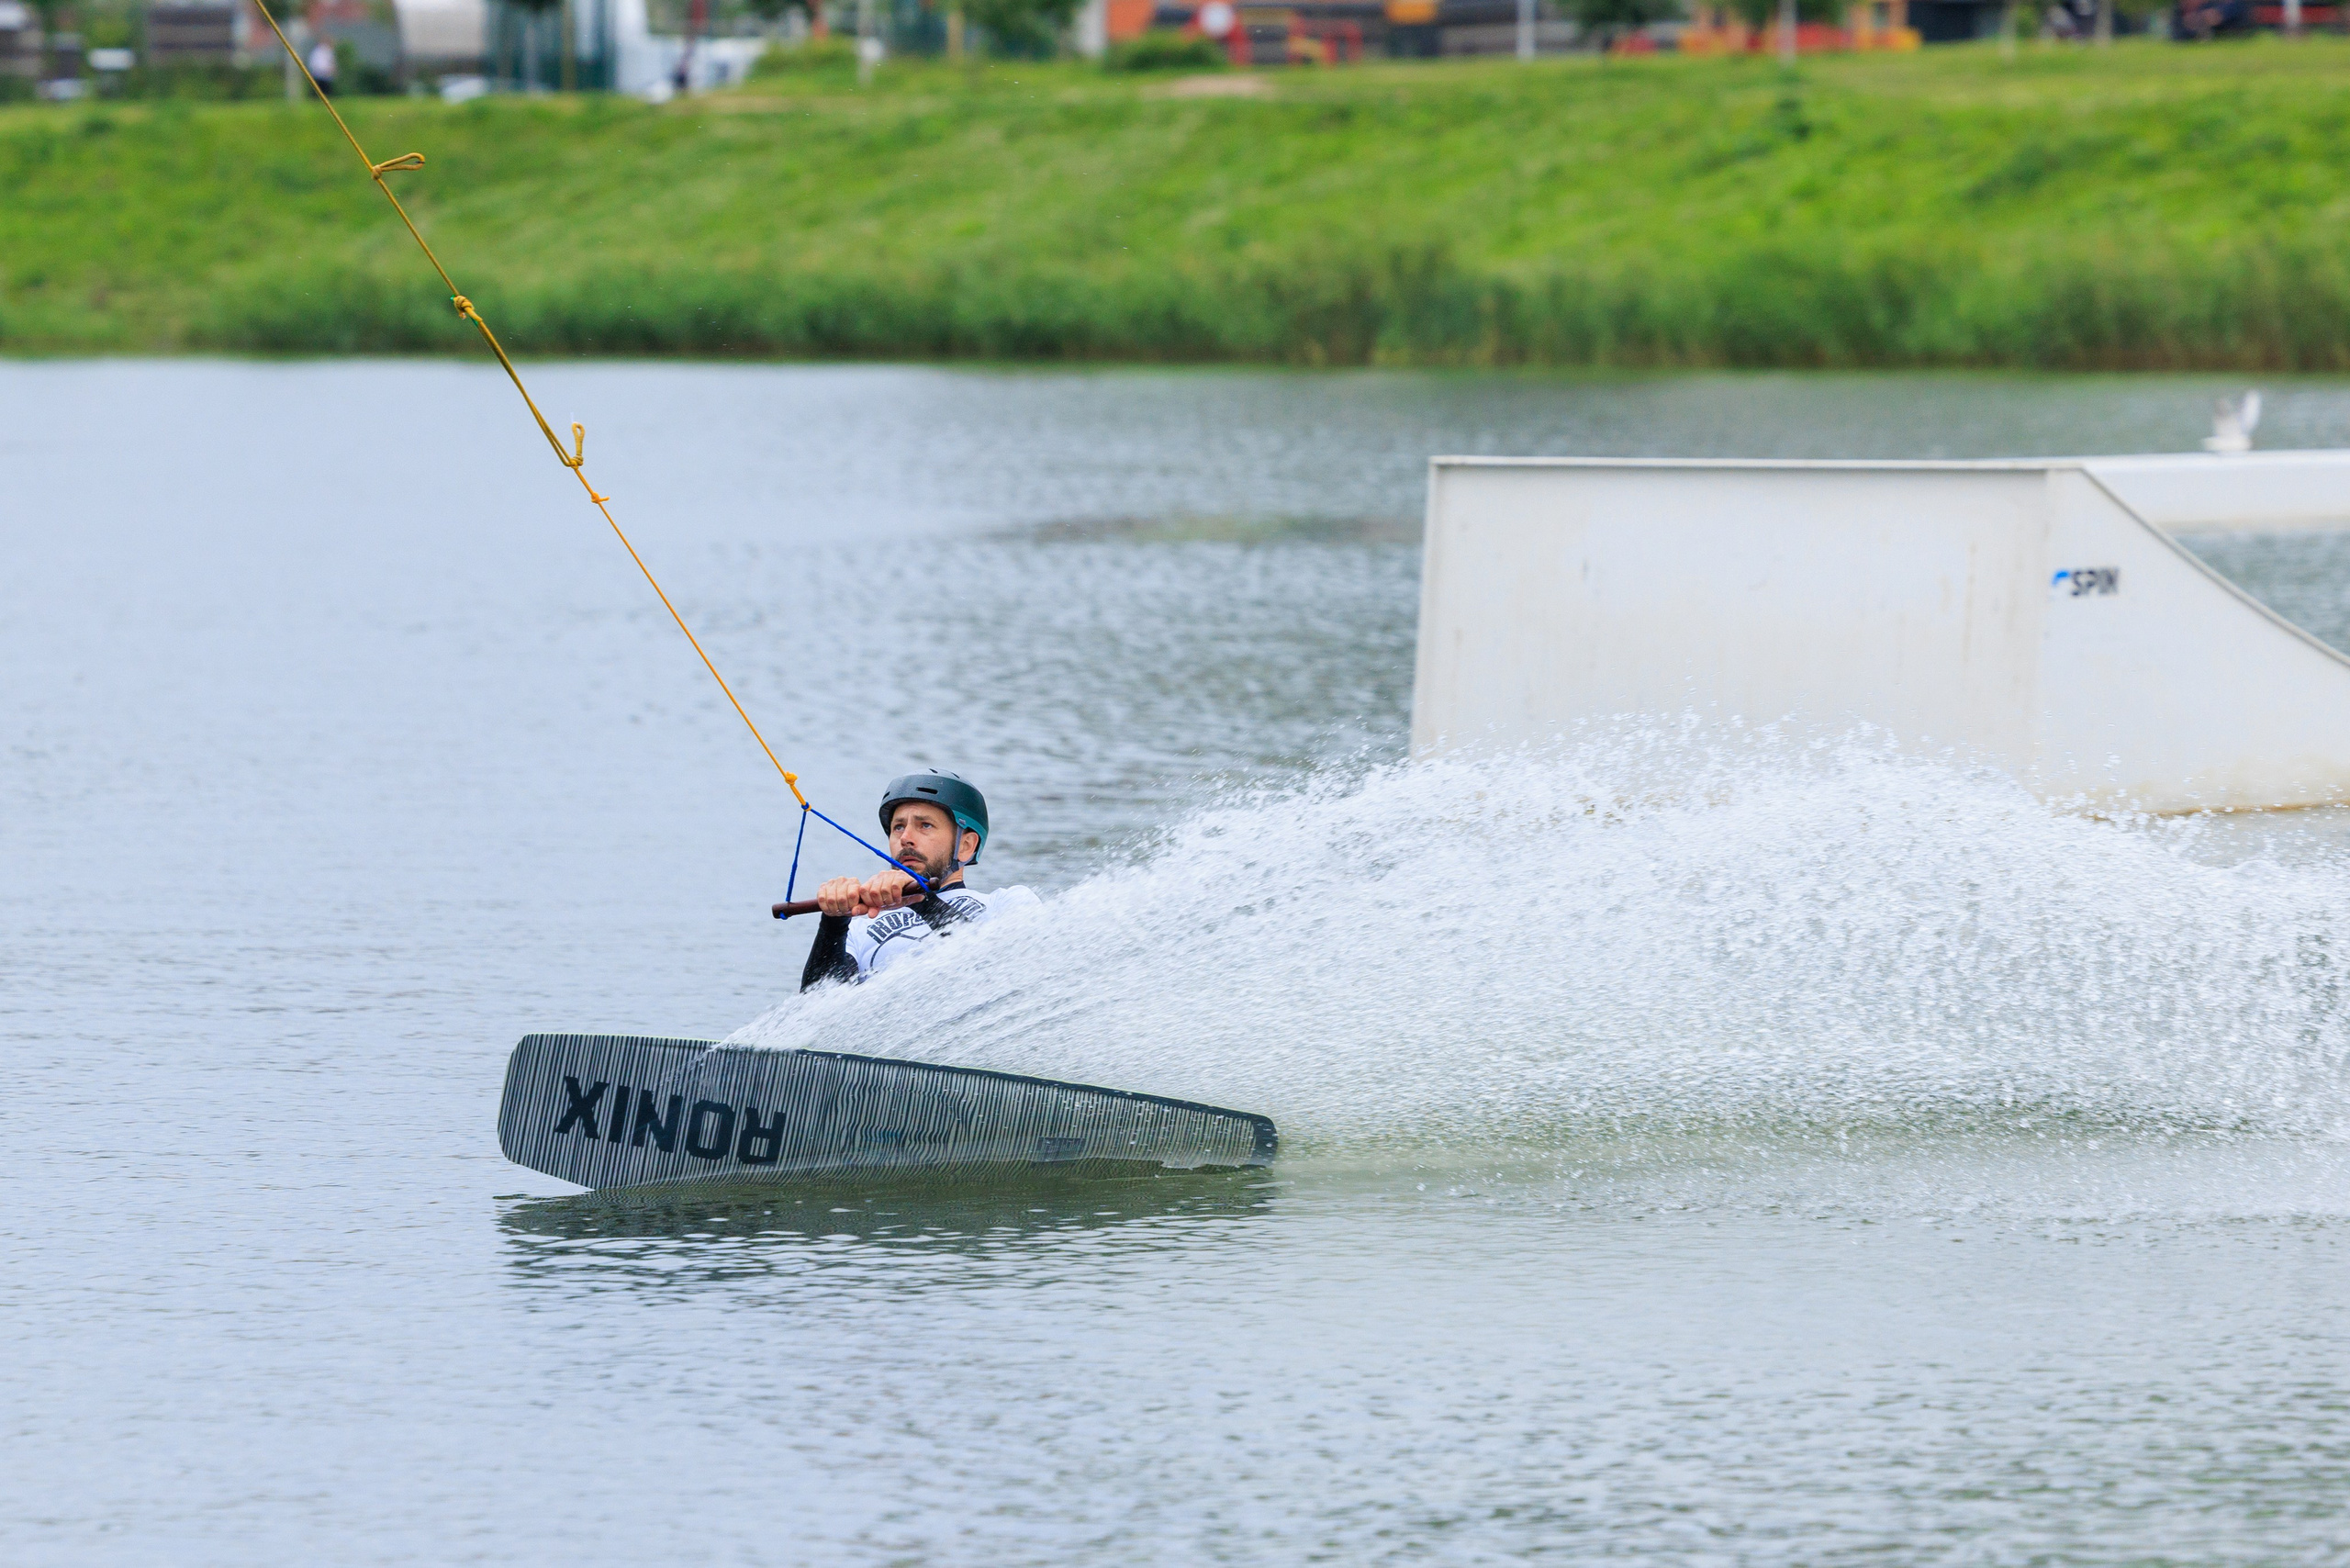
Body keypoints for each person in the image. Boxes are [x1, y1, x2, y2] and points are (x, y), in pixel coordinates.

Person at [800, 771, 1039, 991]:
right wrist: (833, 925)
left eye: (925, 825)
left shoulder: (1006, 903)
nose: (905, 838)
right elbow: (815, 1011)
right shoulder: (857, 929)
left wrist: (923, 901)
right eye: (898, 827)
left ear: (966, 846)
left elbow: (996, 971)